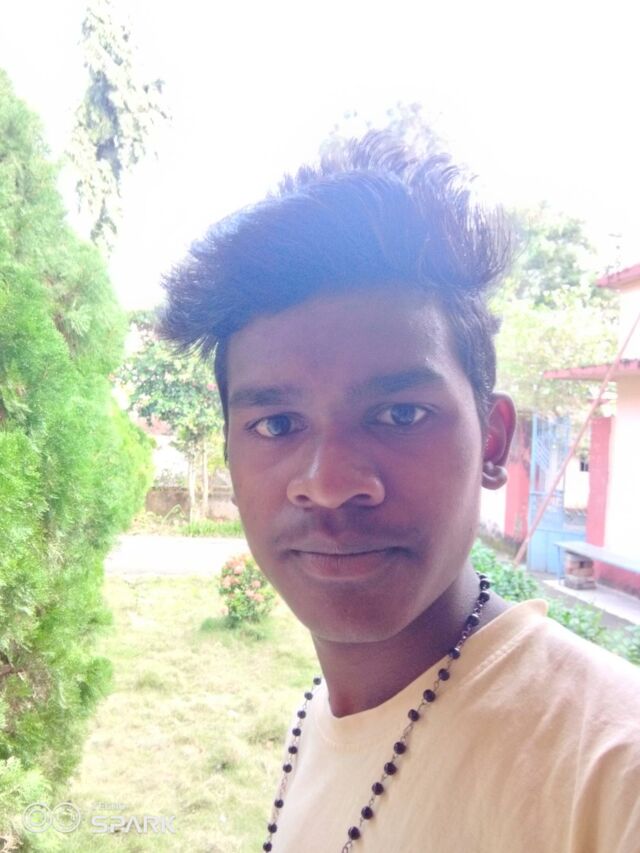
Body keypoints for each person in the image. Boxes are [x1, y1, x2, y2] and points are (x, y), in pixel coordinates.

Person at [159, 132, 640, 852]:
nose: (329, 485)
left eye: (401, 414)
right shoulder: (320, 718)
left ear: (493, 443)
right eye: (277, 423)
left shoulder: (611, 774)